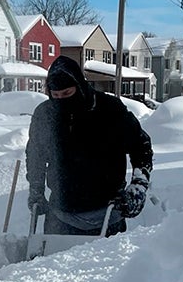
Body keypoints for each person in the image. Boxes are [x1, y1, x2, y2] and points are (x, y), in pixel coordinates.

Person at [26, 55, 153, 236]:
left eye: (67, 93)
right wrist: (36, 190)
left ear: (79, 86)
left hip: (108, 213)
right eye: (56, 95)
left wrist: (138, 186)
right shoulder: (45, 114)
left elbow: (141, 146)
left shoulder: (110, 109)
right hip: (61, 214)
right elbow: (35, 155)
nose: (61, 100)